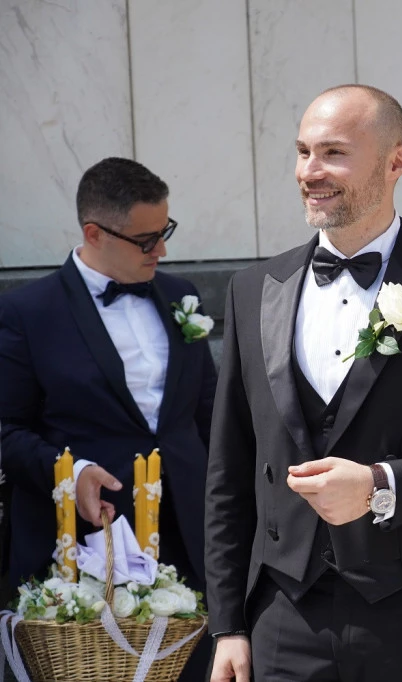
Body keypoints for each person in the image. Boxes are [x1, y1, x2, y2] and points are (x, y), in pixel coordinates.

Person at [204, 84, 402, 682]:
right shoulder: (252, 290)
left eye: (333, 153)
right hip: (281, 614)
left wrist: (383, 485)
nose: (310, 171)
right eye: (303, 152)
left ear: (396, 162)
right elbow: (229, 470)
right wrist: (227, 624)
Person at [0, 157, 217, 680]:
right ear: (94, 233)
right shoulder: (27, 313)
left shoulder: (181, 294)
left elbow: (209, 410)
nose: (161, 250)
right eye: (146, 240)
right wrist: (70, 473)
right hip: (89, 542)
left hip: (190, 530)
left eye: (164, 232)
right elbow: (6, 431)